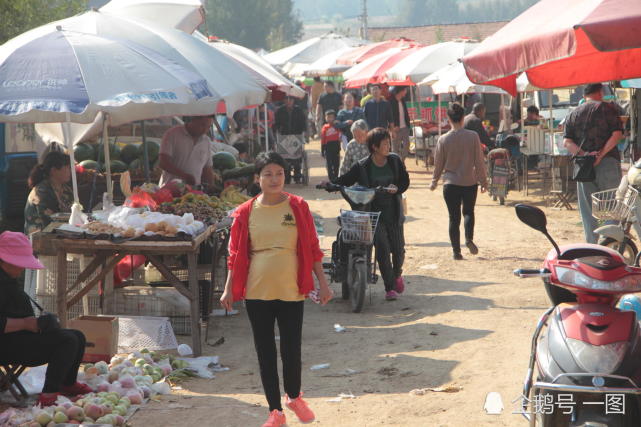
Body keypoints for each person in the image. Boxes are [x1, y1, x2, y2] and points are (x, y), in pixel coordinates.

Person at [220, 152, 332, 427]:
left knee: (292, 348)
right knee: (265, 351)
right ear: (257, 179)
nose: (274, 179)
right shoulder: (245, 212)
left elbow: (313, 248)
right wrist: (227, 290)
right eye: (267, 174)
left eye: (279, 173)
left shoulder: (298, 206)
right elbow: (234, 255)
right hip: (257, 290)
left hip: (292, 287)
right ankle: (275, 411)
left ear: (285, 175)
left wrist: (323, 283)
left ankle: (294, 396)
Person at [0, 231, 92, 407]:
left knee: (78, 336)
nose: (22, 268)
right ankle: (49, 394)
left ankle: (67, 383)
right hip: (5, 345)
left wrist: (39, 323)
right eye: (18, 263)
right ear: (4, 260)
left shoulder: (8, 279)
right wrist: (26, 324)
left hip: (19, 337)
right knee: (66, 341)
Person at [333, 128, 410, 301]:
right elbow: (346, 179)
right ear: (374, 147)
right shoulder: (363, 165)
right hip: (373, 214)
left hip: (394, 212)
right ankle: (389, 288)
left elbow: (404, 180)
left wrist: (398, 188)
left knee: (398, 250)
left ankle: (397, 274)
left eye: (388, 143)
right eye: (385, 143)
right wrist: (331, 184)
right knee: (382, 249)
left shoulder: (395, 161)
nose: (388, 146)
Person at [563, 83, 624, 243]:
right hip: (608, 163)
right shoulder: (608, 109)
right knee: (612, 205)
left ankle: (592, 245)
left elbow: (567, 142)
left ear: (584, 96)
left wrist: (585, 155)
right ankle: (610, 243)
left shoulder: (573, 113)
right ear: (600, 93)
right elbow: (617, 134)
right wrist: (600, 155)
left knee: (587, 209)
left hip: (584, 167)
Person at [430, 103, 488, 260]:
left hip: (450, 184)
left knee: (453, 217)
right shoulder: (473, 136)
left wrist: (434, 181)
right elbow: (479, 161)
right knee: (468, 212)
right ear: (463, 118)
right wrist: (484, 181)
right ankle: (469, 239)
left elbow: (438, 164)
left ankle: (456, 251)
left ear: (448, 118)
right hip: (469, 182)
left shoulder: (443, 139)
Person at [159, 115, 218, 188]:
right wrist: (184, 176)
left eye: (208, 127)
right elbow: (163, 163)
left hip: (194, 192)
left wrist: (211, 187)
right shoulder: (172, 134)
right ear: (193, 120)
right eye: (202, 125)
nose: (205, 130)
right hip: (169, 190)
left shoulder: (206, 141)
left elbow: (207, 169)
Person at [24, 151, 73, 235]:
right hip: (40, 238)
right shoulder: (41, 192)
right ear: (53, 171)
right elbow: (49, 222)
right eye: (67, 168)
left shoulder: (66, 190)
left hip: (59, 234)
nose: (70, 171)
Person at [274, 96, 307, 184]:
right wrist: (279, 130)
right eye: (286, 99)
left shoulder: (298, 110)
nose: (288, 101)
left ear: (293, 101)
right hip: (284, 136)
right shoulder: (280, 111)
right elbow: (276, 124)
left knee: (297, 158)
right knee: (285, 159)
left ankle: (297, 175)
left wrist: (303, 131)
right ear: (284, 100)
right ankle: (286, 177)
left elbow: (303, 123)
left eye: (290, 100)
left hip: (296, 135)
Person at [389, 86, 412, 163]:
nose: (406, 92)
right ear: (400, 91)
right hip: (395, 128)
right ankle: (396, 164)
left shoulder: (403, 100)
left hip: (405, 127)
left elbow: (405, 113)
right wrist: (392, 129)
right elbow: (389, 116)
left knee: (407, 146)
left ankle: (401, 161)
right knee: (395, 148)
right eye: (405, 90)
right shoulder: (391, 101)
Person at [320, 110, 342, 182]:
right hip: (328, 147)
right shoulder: (325, 127)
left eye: (331, 117)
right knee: (329, 164)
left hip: (336, 146)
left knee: (336, 163)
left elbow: (340, 136)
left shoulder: (337, 126)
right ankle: (331, 178)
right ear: (325, 118)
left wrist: (339, 147)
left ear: (334, 118)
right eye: (328, 117)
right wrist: (322, 150)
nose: (330, 119)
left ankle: (336, 176)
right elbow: (323, 139)